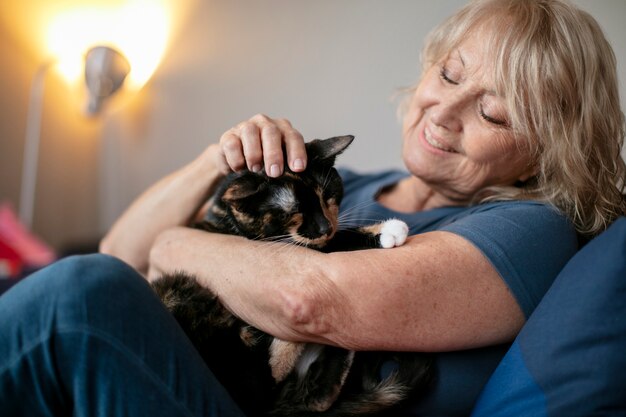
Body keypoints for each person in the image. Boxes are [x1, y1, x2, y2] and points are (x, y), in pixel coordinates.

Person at [1, 0, 625, 415]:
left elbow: (312, 302)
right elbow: (121, 248)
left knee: (79, 300)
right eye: (450, 75)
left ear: (548, 147)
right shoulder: (346, 182)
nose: (446, 110)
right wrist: (216, 160)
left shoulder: (529, 228)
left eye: (493, 112)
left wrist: (173, 246)